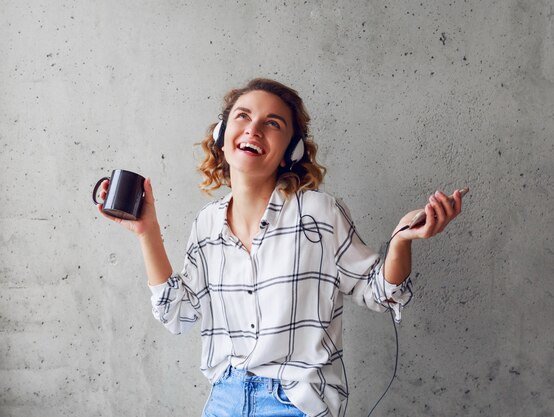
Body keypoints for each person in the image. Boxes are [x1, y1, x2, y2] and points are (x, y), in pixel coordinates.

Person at [96, 78, 464, 417]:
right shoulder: (206, 223)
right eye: (243, 116)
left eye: (273, 123)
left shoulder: (320, 213)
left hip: (296, 401)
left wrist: (401, 240)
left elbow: (380, 292)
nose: (254, 128)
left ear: (292, 150)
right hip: (224, 399)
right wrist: (148, 232)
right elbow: (178, 313)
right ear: (223, 135)